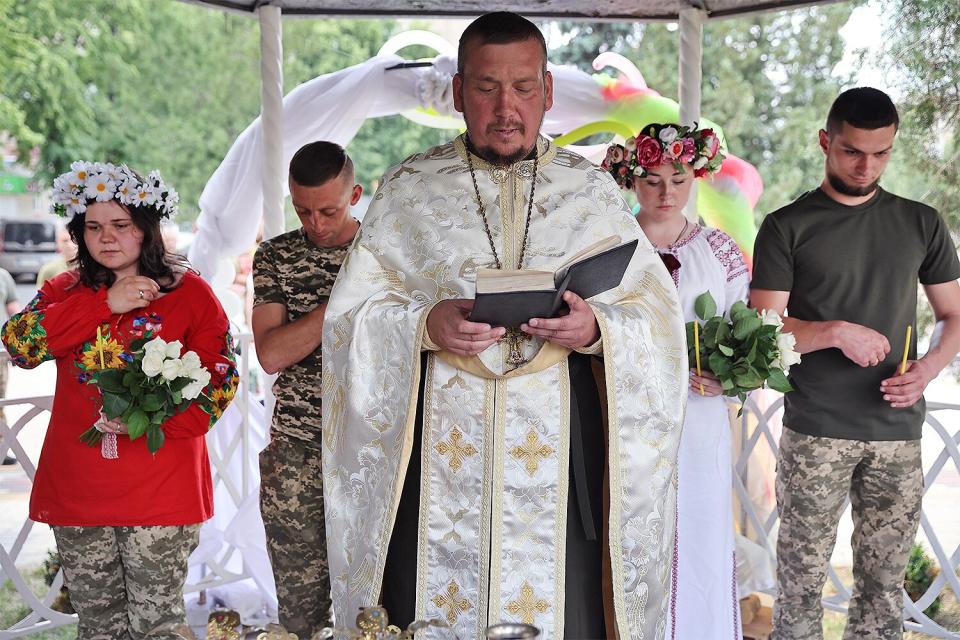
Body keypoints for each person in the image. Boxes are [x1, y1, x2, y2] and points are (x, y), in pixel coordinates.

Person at [321, 12, 686, 638]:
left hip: (561, 461)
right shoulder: (409, 190)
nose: (505, 107)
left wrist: (596, 330)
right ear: (460, 91)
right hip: (434, 467)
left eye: (522, 88)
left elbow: (655, 315)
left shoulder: (589, 191)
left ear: (547, 91)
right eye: (487, 88)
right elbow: (351, 319)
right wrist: (424, 325)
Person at [750, 87, 960, 639]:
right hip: (816, 430)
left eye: (881, 153)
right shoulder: (785, 225)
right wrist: (834, 332)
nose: (867, 166)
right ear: (825, 141)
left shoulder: (922, 223)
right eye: (852, 152)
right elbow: (763, 329)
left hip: (898, 430)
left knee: (883, 592)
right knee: (798, 588)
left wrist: (929, 367)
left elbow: (953, 316)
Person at [1, 161, 239, 639]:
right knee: (99, 626)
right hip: (78, 489)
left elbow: (221, 381)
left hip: (162, 489)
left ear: (146, 229)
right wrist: (102, 305)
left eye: (120, 226)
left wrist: (154, 425)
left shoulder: (188, 293)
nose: (106, 238)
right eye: (92, 227)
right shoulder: (64, 290)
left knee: (158, 625)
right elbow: (20, 346)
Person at [605, 122, 747, 639]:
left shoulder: (721, 252)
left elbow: (746, 329)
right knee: (631, 531)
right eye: (653, 180)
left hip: (700, 417)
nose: (666, 193)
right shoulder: (609, 244)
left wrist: (729, 375)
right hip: (626, 418)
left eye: (679, 179)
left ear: (697, 177)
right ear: (632, 180)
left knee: (701, 530)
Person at [252, 141, 361, 637]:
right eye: (303, 211)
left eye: (329, 210)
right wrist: (343, 301)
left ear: (355, 194)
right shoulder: (275, 255)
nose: (316, 224)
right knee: (300, 616)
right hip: (296, 451)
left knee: (376, 605)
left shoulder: (385, 252)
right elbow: (272, 353)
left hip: (371, 446)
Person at [0, 266, 19, 465]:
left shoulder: (3, 275)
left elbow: (13, 309)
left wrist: (16, 346)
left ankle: (1, 449)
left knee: (0, 400)